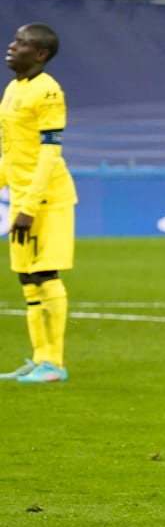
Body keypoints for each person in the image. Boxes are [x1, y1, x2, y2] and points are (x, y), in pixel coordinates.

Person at [0, 24, 77, 384]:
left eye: (22, 43)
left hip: (47, 200)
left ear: (41, 54)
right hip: (22, 197)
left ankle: (55, 363)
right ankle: (39, 357)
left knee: (46, 275)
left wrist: (30, 206)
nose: (12, 47)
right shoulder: (14, 89)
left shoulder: (48, 92)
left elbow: (49, 156)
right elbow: (13, 152)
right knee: (28, 279)